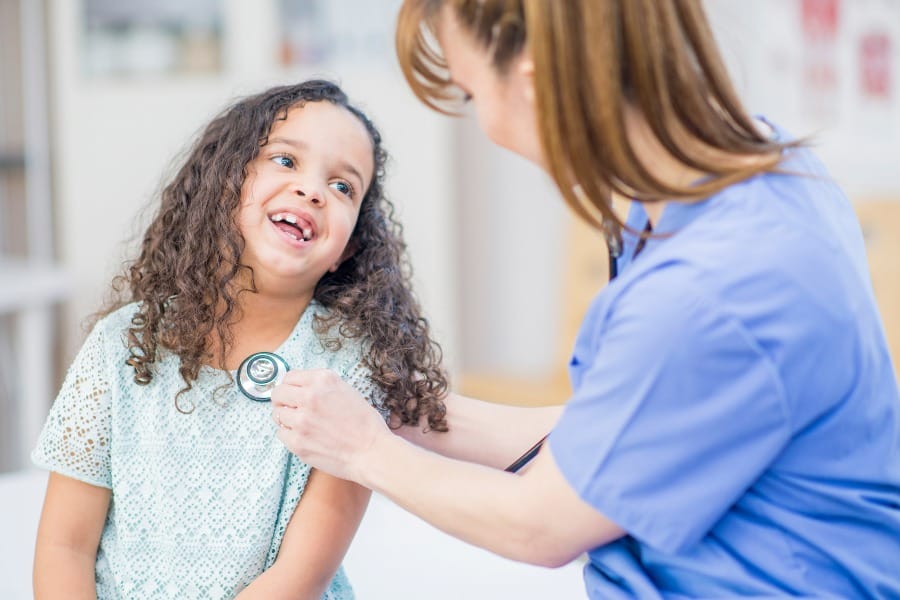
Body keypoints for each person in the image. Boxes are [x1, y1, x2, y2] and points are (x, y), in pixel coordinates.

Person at [271, 1, 900, 598]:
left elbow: (541, 524)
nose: (486, 125)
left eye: (472, 94)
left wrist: (364, 450)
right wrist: (396, 408)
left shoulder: (711, 290)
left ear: (536, 83)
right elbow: (624, 425)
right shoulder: (762, 165)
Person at [31, 79, 448, 599]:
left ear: (349, 247)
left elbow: (302, 576)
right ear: (225, 181)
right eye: (286, 161)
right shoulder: (122, 344)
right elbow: (64, 547)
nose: (313, 190)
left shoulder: (350, 369)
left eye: (344, 187)